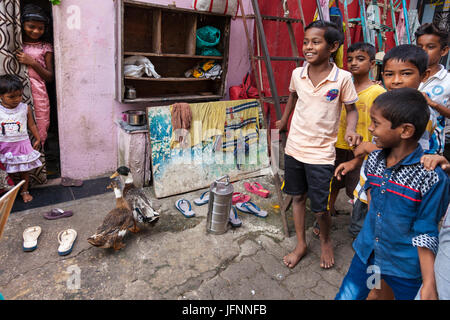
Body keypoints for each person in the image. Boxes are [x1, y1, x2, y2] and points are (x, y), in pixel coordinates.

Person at [335, 88, 450, 300]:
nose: (370, 128)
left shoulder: (430, 177)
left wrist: (429, 283)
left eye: (376, 123)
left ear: (405, 130)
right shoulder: (375, 160)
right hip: (369, 257)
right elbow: (372, 195)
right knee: (360, 293)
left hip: (404, 269)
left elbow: (426, 230)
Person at [276, 20, 361, 269]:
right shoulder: (297, 74)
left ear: (333, 46)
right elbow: (293, 95)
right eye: (305, 42)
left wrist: (352, 130)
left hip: (322, 154)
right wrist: (283, 119)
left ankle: (325, 240)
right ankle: (301, 244)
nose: (308, 47)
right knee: (298, 197)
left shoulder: (342, 78)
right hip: (294, 148)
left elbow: (351, 108)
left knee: (321, 207)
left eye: (316, 42)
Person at [336, 44, 437, 238]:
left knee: (380, 235)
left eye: (406, 74)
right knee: (360, 230)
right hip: (368, 185)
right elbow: (381, 146)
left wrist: (367, 146)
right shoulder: (385, 103)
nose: (396, 81)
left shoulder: (422, 114)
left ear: (424, 76)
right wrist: (355, 162)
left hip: (391, 193)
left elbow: (413, 158)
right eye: (389, 74)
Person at [328, 42, 385, 223]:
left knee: (357, 186)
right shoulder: (344, 86)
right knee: (333, 181)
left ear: (372, 64)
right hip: (338, 143)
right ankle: (328, 213)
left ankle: (358, 223)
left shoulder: (378, 91)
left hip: (361, 149)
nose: (354, 63)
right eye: (350, 59)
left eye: (360, 59)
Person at [16, 4, 54, 148]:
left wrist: (32, 62)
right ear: (22, 24)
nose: (36, 31)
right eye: (31, 26)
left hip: (39, 92)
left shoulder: (45, 47)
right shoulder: (16, 43)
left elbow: (49, 77)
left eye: (40, 28)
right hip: (17, 92)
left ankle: (36, 164)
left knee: (41, 126)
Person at [0, 74, 42, 202]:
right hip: (4, 146)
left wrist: (38, 138)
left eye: (19, 95)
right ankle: (10, 194)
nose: (17, 99)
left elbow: (31, 124)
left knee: (24, 171)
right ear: (1, 96)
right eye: (11, 97)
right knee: (7, 172)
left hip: (22, 145)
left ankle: (25, 191)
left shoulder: (25, 108)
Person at [415, 23, 450, 156]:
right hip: (401, 147)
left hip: (430, 150)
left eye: (430, 47)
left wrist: (433, 104)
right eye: (420, 47)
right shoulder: (407, 74)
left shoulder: (447, 81)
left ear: (444, 50)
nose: (423, 51)